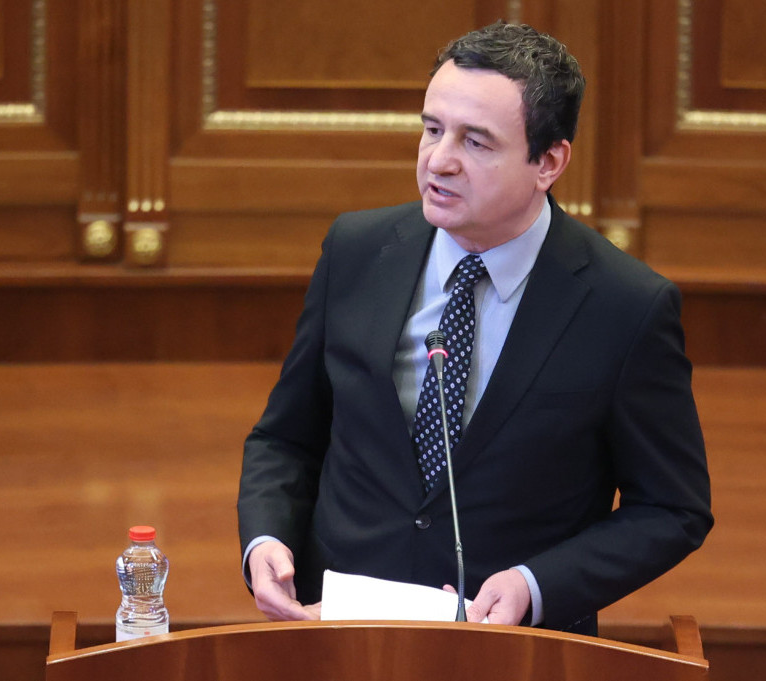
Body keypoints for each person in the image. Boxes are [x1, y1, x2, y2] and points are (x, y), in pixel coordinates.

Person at [237, 21, 712, 635]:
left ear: (548, 162)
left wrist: (537, 584)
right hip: (340, 629)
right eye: (433, 129)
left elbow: (672, 508)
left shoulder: (626, 306)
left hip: (510, 649)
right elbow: (286, 438)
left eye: (476, 142)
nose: (439, 160)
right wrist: (266, 537)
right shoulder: (356, 250)